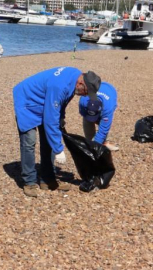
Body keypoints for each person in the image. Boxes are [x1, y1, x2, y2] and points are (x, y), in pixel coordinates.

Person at [13, 68, 101, 197]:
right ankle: (29, 182)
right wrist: (58, 149)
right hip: (27, 100)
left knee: (47, 141)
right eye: (86, 92)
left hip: (44, 100)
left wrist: (61, 117)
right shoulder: (59, 86)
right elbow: (50, 119)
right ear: (81, 84)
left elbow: (62, 102)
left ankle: (47, 179)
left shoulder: (74, 78)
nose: (85, 96)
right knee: (29, 142)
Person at [78, 81, 119, 151]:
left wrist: (96, 146)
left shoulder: (108, 108)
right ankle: (89, 142)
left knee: (103, 125)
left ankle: (103, 143)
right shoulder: (83, 101)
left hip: (109, 90)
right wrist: (91, 146)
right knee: (87, 121)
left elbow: (104, 129)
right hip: (97, 92)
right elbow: (83, 114)